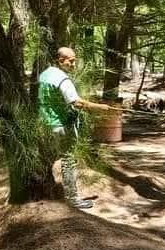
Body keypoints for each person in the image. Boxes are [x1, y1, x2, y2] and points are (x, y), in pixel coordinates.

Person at [38, 47, 113, 209]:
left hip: (46, 124)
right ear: (60, 60)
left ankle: (45, 192)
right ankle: (72, 199)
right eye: (71, 61)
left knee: (48, 157)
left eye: (74, 60)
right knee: (68, 161)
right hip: (61, 125)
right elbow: (77, 102)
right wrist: (100, 107)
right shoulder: (62, 79)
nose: (74, 64)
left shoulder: (44, 75)